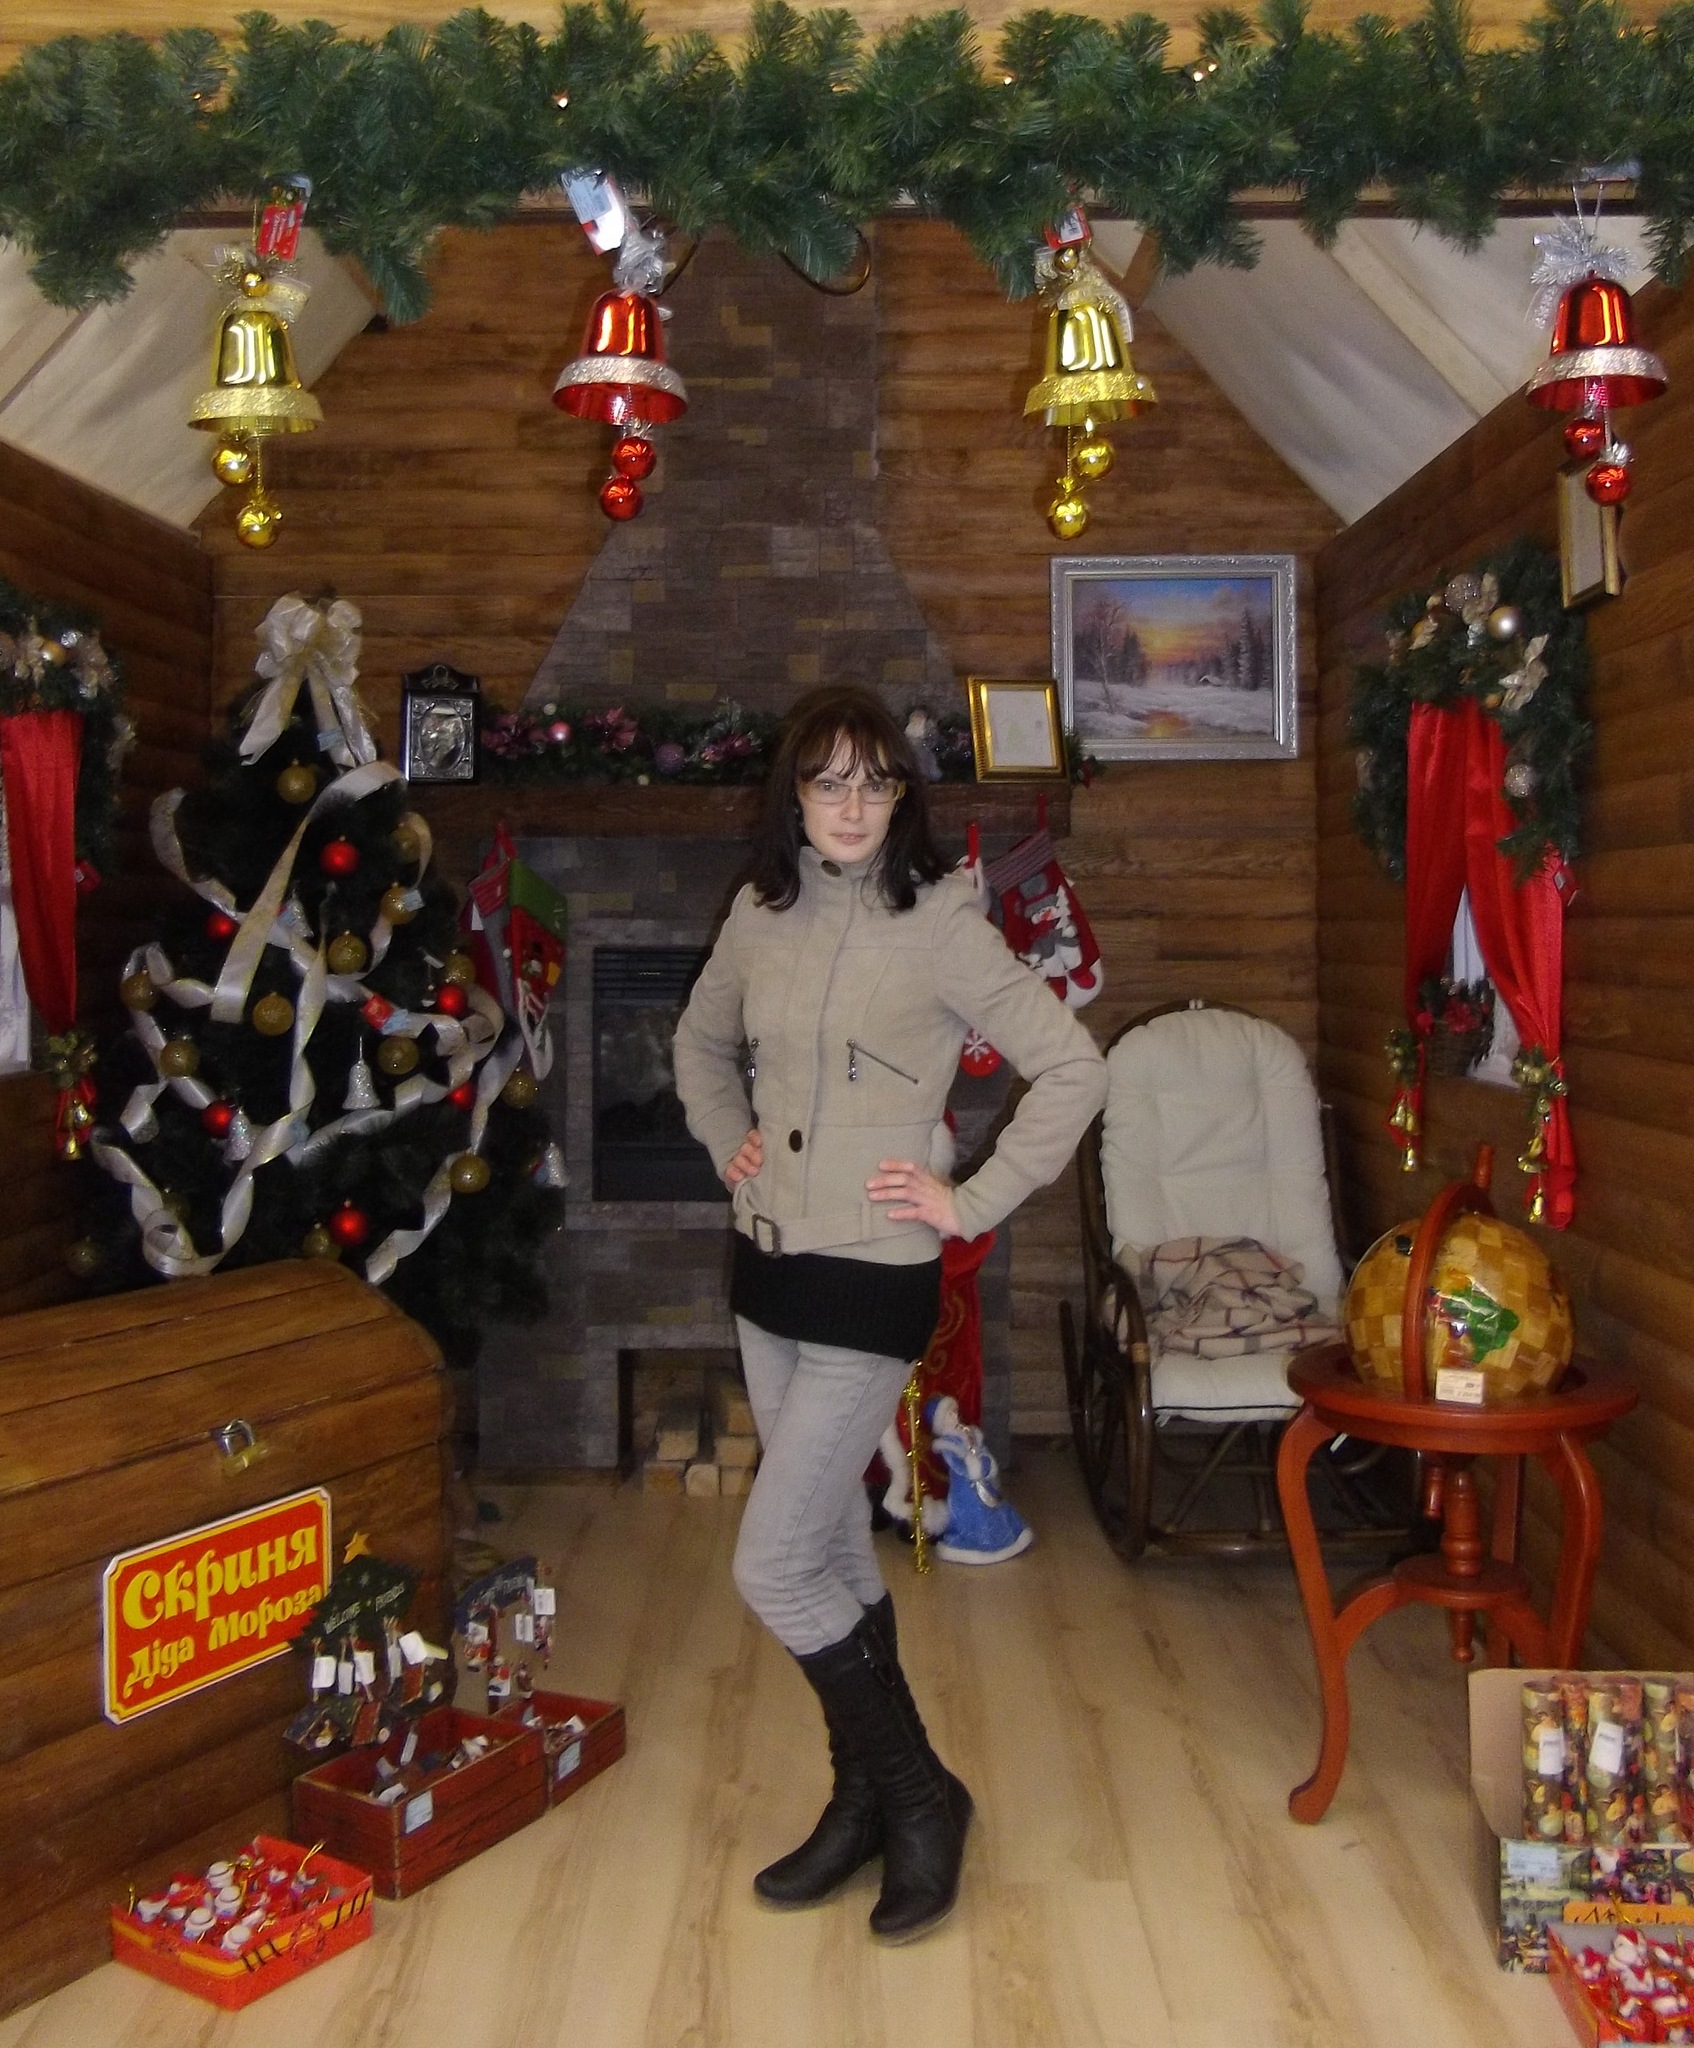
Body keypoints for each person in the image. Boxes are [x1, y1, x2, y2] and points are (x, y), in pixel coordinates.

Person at [672, 684, 1107, 1943]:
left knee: (769, 1562)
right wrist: (726, 1136)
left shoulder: (943, 921)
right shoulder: (757, 913)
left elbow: (1073, 1066)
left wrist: (966, 1201)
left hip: (873, 1276)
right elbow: (698, 1045)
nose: (851, 804)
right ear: (794, 795)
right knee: (827, 1544)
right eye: (827, 780)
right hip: (769, 1272)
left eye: (874, 780)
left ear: (901, 795)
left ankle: (920, 1794)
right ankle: (861, 1797)